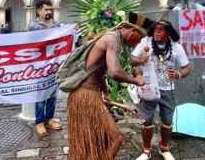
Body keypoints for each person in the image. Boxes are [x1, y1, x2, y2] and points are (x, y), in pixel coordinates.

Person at [56, 12, 154, 160]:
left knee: (96, 140)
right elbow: (114, 72)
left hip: (88, 95)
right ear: (133, 31)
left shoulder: (111, 37)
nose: (139, 42)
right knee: (115, 139)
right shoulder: (112, 39)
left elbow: (100, 70)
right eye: (140, 38)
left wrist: (106, 93)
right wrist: (136, 81)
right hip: (85, 96)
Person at [131, 20, 190, 160]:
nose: (157, 31)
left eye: (161, 29)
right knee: (147, 120)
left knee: (167, 120)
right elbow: (132, 58)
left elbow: (187, 68)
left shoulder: (176, 47)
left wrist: (179, 74)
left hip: (167, 89)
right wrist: (140, 61)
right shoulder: (146, 42)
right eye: (156, 28)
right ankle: (146, 150)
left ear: (168, 32)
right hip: (148, 88)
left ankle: (164, 148)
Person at [28, 0, 78, 137]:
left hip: (54, 66)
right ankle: (39, 122)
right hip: (39, 66)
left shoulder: (55, 24)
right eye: (46, 9)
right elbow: (29, 46)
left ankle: (49, 118)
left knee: (52, 93)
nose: (49, 12)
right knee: (40, 95)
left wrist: (72, 30)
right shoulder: (33, 26)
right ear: (38, 11)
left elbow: (63, 37)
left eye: (50, 9)